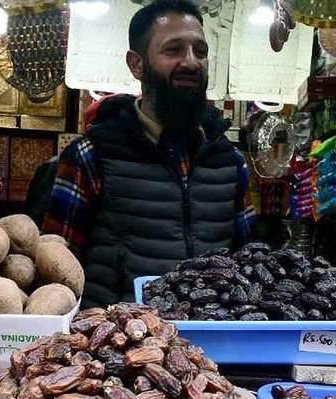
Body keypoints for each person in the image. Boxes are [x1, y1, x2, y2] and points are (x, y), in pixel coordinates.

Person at [42, 0, 256, 309]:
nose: (192, 62)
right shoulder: (91, 156)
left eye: (201, 50)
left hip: (212, 343)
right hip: (122, 345)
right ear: (136, 64)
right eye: (173, 50)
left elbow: (249, 266)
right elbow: (55, 267)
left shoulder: (230, 162)